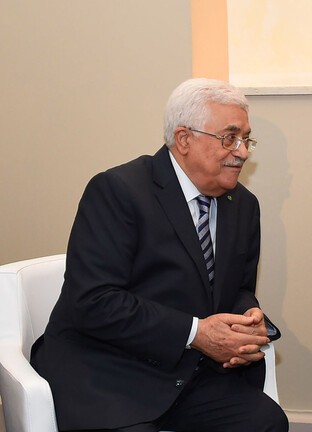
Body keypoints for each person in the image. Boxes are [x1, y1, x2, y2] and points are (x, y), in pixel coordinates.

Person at [31, 78, 288, 432]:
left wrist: (247, 317)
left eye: (246, 139)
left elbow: (238, 288)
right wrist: (197, 332)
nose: (242, 152)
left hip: (187, 372)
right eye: (230, 138)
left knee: (267, 422)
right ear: (184, 139)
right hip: (107, 369)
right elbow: (93, 301)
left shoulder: (243, 205)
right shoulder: (118, 191)